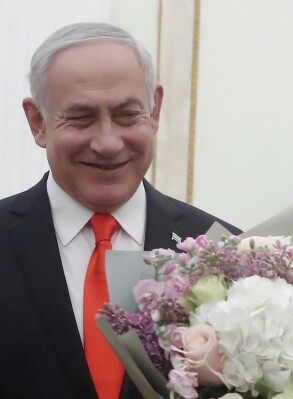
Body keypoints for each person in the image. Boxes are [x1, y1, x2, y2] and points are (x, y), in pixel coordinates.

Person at [0, 22, 240, 399]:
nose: (108, 143)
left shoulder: (225, 253)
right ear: (38, 122)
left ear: (155, 109)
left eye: (128, 115)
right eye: (81, 117)